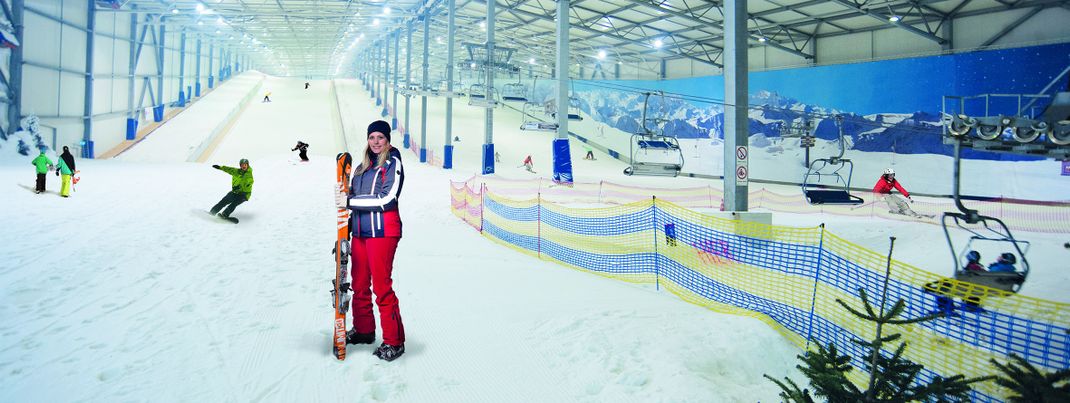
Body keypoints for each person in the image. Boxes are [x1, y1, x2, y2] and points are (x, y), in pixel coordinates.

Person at [335, 120, 407, 362]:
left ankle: (394, 341)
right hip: (361, 234)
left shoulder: (392, 163)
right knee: (360, 284)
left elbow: (386, 199)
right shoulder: (360, 169)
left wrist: (350, 202)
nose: (376, 142)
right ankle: (365, 330)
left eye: (380, 137)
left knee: (382, 287)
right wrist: (344, 234)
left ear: (388, 140)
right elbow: (353, 199)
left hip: (384, 233)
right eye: (372, 137)